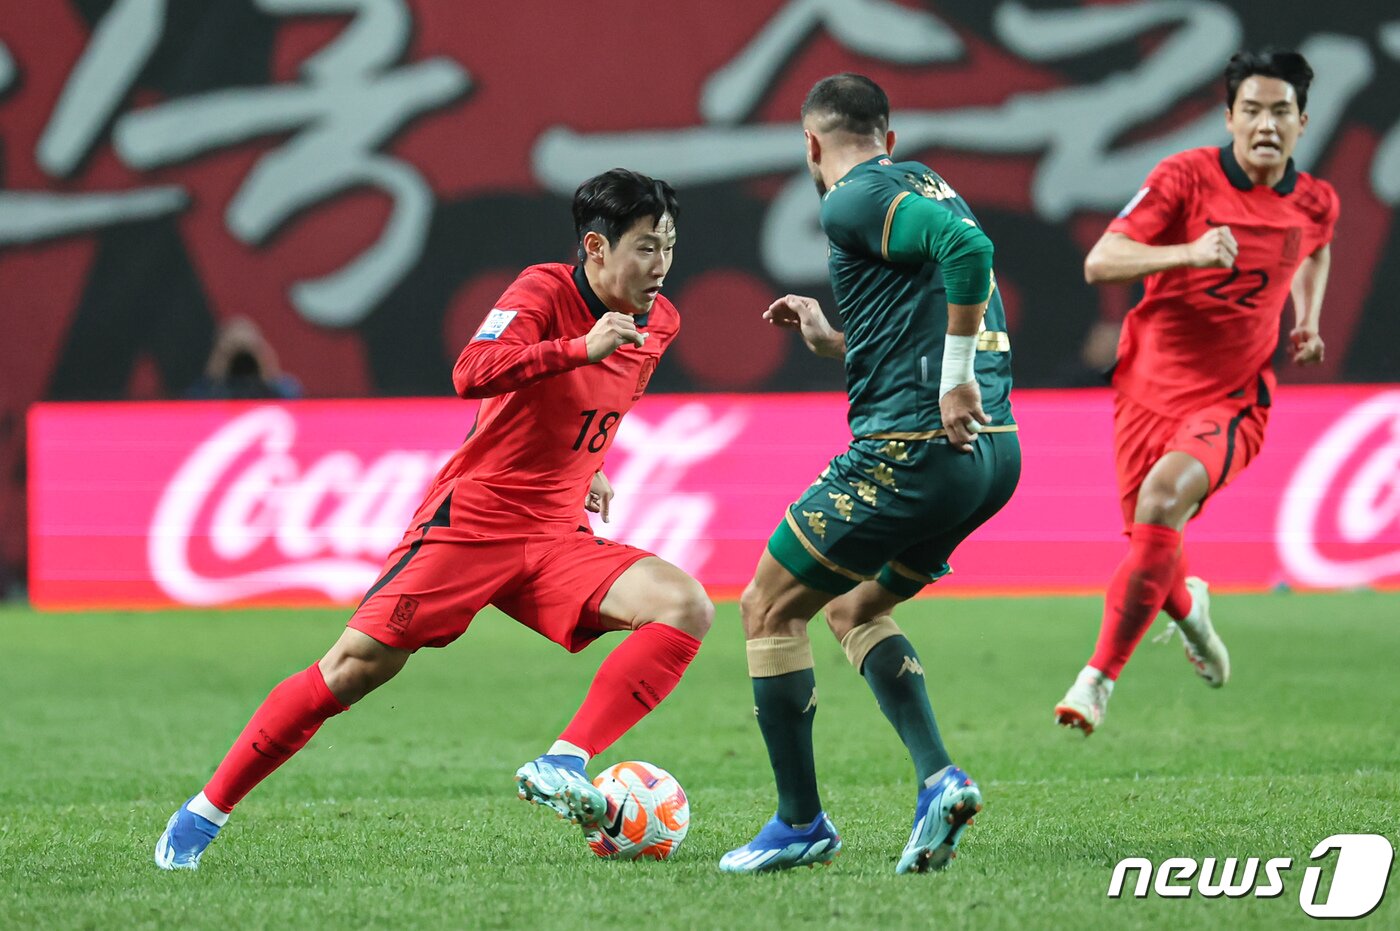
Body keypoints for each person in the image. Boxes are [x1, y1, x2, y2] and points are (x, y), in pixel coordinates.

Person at [155, 169, 712, 870]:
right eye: (644, 248)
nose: (660, 267)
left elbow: (601, 400)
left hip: (557, 531)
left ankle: (564, 761)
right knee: (352, 670)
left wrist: (589, 459)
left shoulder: (660, 321)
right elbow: (471, 371)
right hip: (475, 520)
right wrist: (577, 347)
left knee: (683, 605)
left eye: (668, 247)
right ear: (595, 248)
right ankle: (203, 811)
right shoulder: (543, 290)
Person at [719, 74, 1020, 875]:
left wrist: (953, 374)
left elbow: (970, 254)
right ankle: (939, 780)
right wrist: (835, 341)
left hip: (916, 446)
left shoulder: (848, 197)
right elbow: (929, 296)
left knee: (766, 608)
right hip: (993, 456)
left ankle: (799, 821)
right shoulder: (927, 183)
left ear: (811, 145)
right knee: (854, 606)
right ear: (889, 137)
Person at [1053, 50, 1337, 735]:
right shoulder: (1184, 177)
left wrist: (1310, 318)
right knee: (1152, 540)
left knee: (1161, 501)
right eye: (1252, 110)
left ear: (1301, 121)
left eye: (1280, 112)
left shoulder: (1315, 199)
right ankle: (1193, 614)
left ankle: (1097, 678)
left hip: (1233, 398)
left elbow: (1315, 247)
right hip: (1145, 389)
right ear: (1229, 117)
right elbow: (1102, 261)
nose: (1265, 123)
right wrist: (1189, 252)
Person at [186, 316, 303, 400]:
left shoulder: (284, 389)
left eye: (249, 349)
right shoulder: (201, 393)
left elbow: (293, 403)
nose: (241, 360)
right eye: (233, 347)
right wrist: (215, 374)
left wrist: (268, 372)